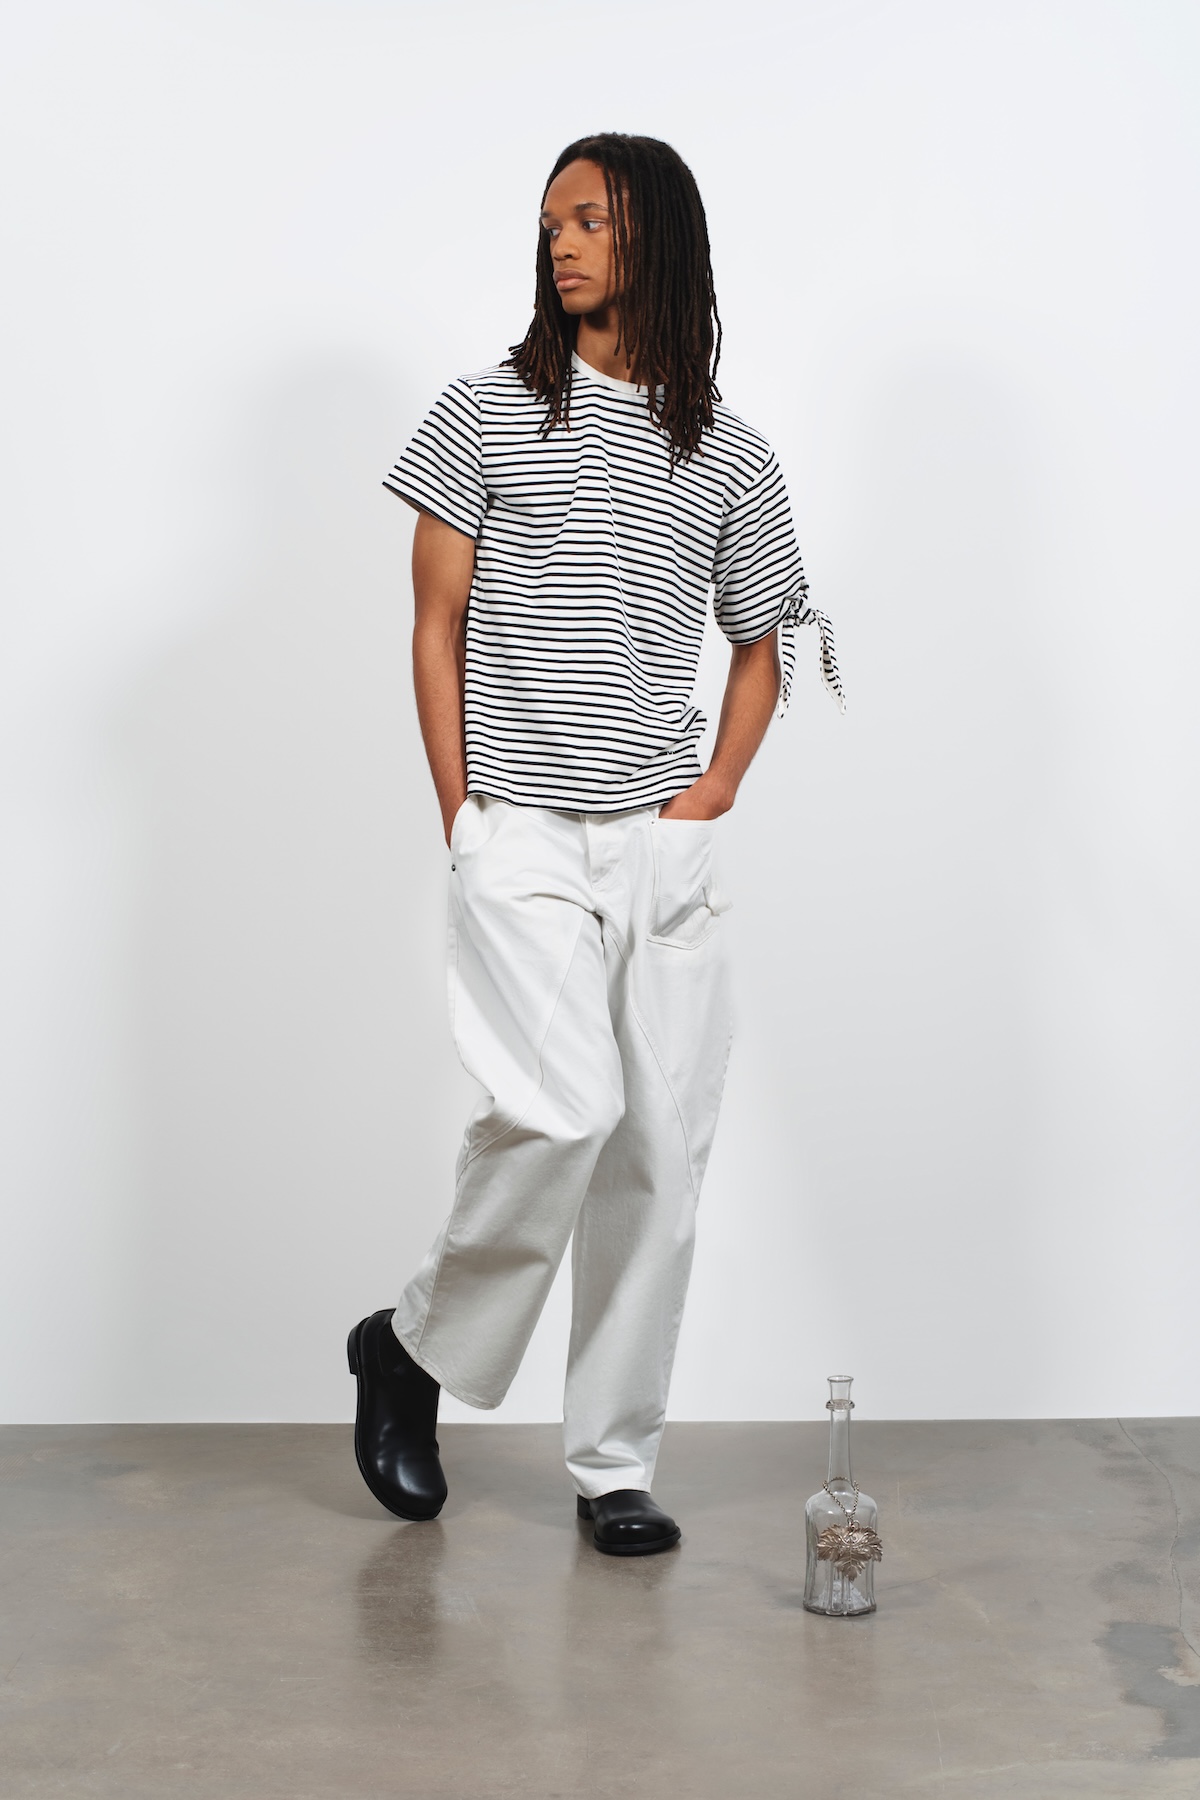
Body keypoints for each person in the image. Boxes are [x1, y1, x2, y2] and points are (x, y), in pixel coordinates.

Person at [348, 132, 843, 1557]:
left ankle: (614, 1463)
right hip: (520, 826)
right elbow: (433, 624)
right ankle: (412, 1348)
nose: (561, 243)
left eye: (591, 219)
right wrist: (460, 810)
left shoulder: (732, 454)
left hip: (660, 839)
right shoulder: (485, 411)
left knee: (658, 1160)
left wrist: (716, 791)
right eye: (550, 221)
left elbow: (764, 643)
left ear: (657, 239)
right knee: (560, 1109)